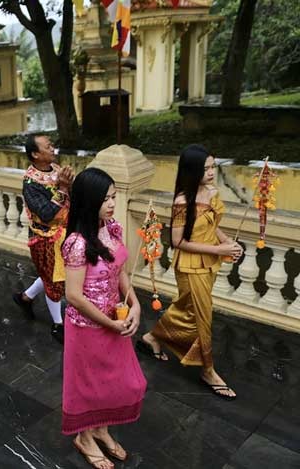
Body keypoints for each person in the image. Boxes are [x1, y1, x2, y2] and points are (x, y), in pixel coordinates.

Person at [139, 144, 243, 400]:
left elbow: (213, 224)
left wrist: (228, 242)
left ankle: (152, 337)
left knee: (187, 309)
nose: (210, 172)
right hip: (189, 265)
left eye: (212, 166)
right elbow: (178, 241)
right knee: (201, 317)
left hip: (209, 262)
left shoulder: (212, 191)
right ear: (192, 170)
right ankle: (208, 370)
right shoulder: (183, 202)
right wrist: (218, 250)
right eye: (205, 168)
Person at [61, 167, 146, 469]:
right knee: (87, 386)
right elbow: (73, 296)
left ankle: (102, 429)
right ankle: (84, 438)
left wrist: (135, 305)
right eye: (105, 198)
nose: (112, 204)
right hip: (88, 327)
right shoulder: (77, 243)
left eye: (113, 196)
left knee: (124, 383)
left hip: (115, 318)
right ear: (88, 201)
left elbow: (120, 272)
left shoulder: (111, 229)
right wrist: (109, 323)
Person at [13, 134, 73, 344]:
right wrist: (64, 188)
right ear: (35, 154)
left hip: (64, 233)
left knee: (52, 274)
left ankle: (24, 298)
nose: (52, 148)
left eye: (51, 145)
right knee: (54, 280)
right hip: (44, 239)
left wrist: (71, 185)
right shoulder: (31, 182)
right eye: (48, 146)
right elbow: (46, 213)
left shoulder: (56, 170)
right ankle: (58, 324)